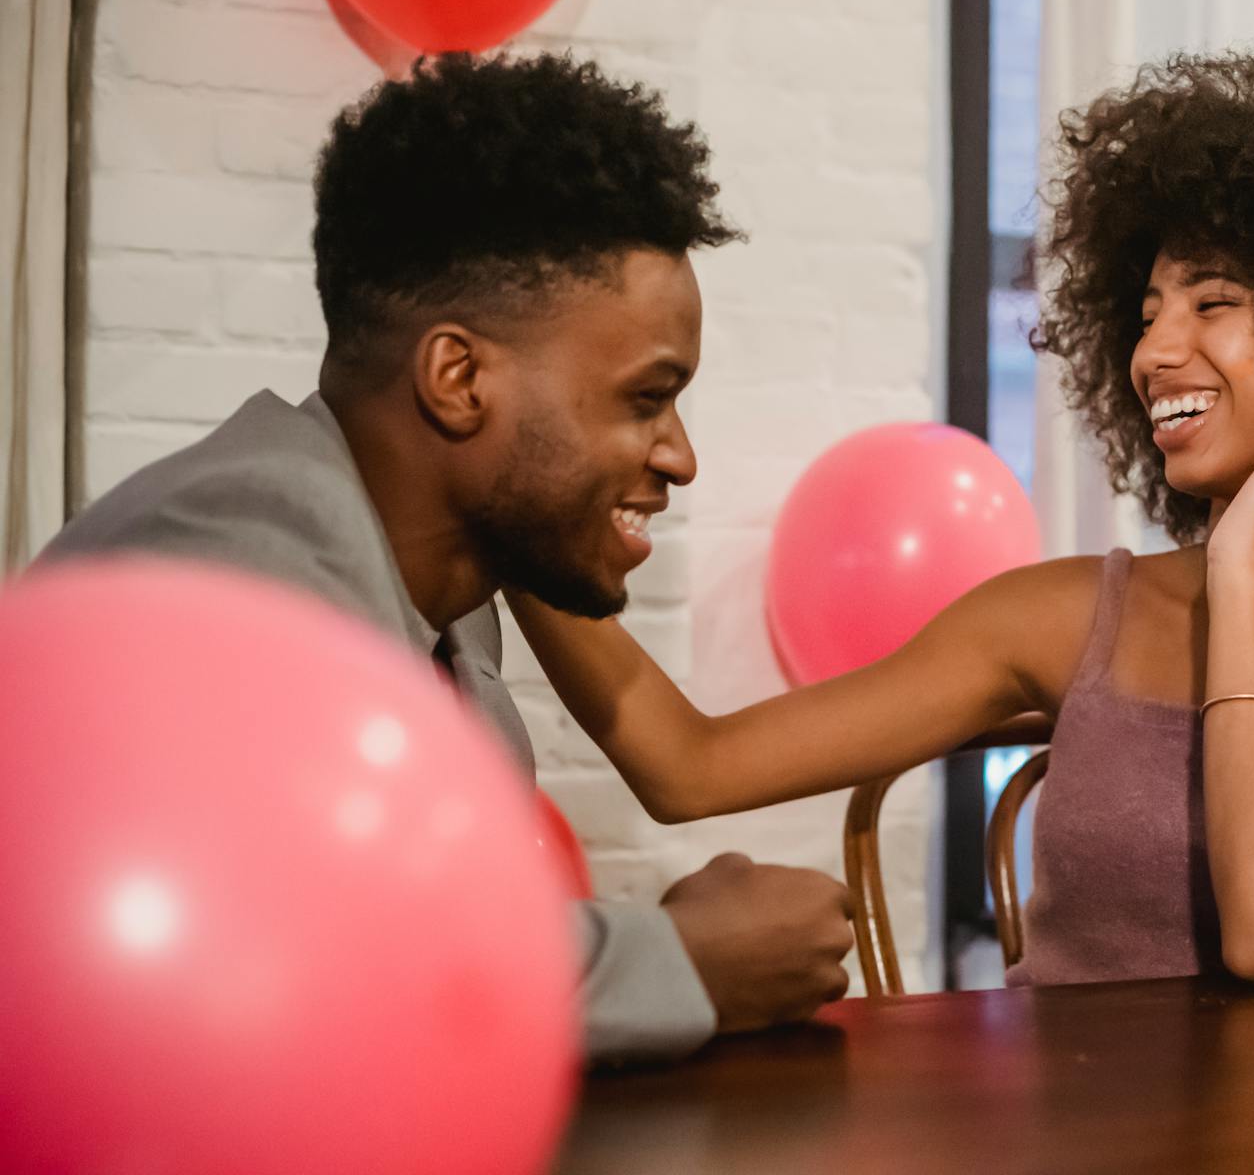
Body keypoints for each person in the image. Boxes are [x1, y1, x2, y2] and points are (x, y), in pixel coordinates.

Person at [510, 41, 1254, 985]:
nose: (1155, 351)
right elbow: (690, 765)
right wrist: (502, 505)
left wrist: (1239, 577)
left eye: (1213, 302)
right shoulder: (1060, 617)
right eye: (1146, 310)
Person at [36, 52, 854, 1057]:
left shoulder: (447, 596)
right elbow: (303, 968)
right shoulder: (236, 557)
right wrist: (684, 959)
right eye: (648, 397)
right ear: (458, 376)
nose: (680, 456)